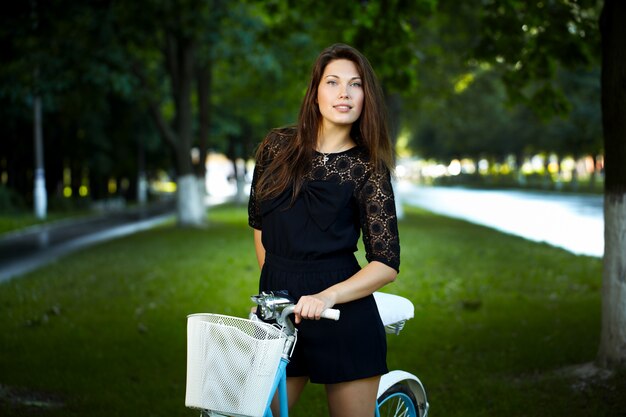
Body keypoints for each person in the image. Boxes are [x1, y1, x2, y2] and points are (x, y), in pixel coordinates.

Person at [248, 43, 400, 417]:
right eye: (332, 82)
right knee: (255, 412)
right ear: (315, 92)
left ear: (366, 97)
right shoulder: (275, 147)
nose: (343, 93)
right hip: (280, 316)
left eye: (355, 84)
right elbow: (259, 225)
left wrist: (328, 296)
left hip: (342, 316)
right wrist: (277, 290)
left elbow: (387, 263)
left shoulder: (367, 168)